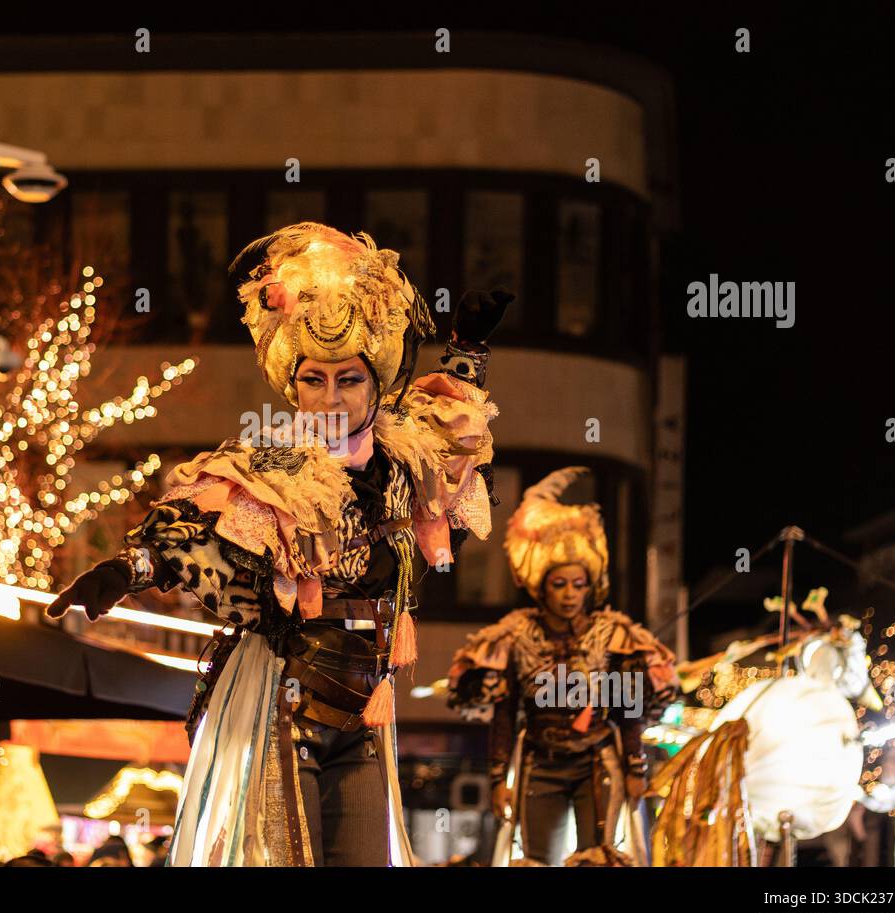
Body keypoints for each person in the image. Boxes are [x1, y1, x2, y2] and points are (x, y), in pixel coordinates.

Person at [47, 222, 508, 866]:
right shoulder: (269, 469)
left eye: (348, 380)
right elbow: (198, 534)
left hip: (367, 714)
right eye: (313, 380)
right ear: (292, 385)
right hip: (283, 707)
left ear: (375, 382)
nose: (330, 399)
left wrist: (466, 353)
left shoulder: (407, 462)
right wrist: (129, 568)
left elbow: (458, 441)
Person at [447, 467, 676, 865]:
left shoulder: (615, 635)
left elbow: (629, 712)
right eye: (560, 584)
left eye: (578, 585)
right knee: (538, 860)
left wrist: (636, 767)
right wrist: (499, 779)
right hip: (540, 763)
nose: (570, 595)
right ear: (541, 585)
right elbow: (505, 712)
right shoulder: (514, 635)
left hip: (596, 761)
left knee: (599, 858)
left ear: (590, 586)